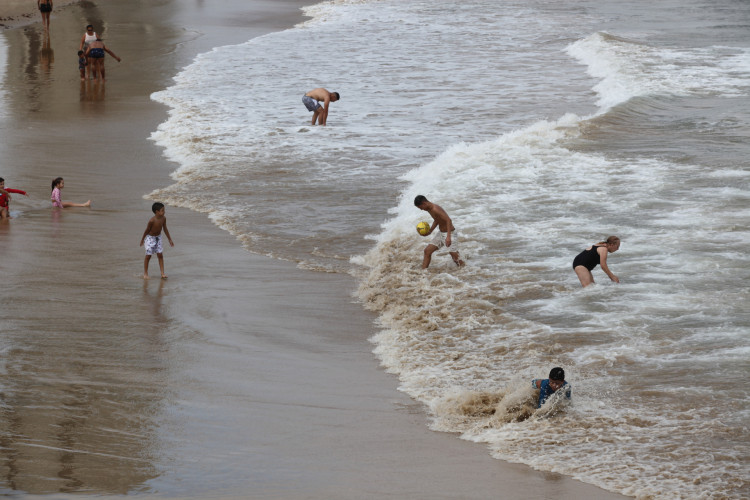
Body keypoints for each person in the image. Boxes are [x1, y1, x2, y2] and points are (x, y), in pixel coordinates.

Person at [414, 195, 465, 269]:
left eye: (421, 207)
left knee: (454, 255)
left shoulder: (435, 209)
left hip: (450, 233)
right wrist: (430, 231)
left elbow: (448, 220)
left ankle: (464, 269)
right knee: (427, 251)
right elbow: (437, 219)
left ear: (424, 203)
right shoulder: (429, 209)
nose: (421, 209)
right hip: (441, 233)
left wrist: (448, 237)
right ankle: (423, 273)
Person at [140, 202, 174, 280]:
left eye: (164, 210)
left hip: (158, 238)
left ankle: (162, 273)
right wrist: (142, 239)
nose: (164, 211)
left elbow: (165, 229)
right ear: (156, 211)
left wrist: (170, 239)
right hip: (150, 238)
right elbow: (147, 230)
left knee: (160, 255)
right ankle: (145, 273)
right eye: (162, 210)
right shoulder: (152, 221)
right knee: (148, 256)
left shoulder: (163, 218)